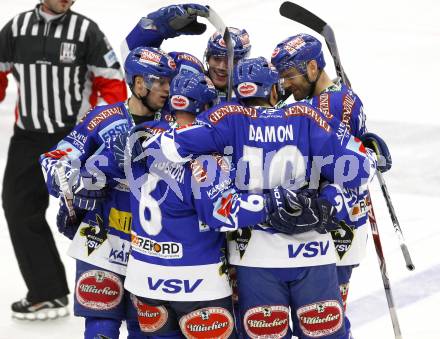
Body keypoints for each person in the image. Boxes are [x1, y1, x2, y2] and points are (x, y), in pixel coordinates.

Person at [140, 57, 391, 338]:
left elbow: (162, 150)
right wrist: (336, 193)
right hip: (312, 251)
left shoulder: (227, 118)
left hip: (254, 257)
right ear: (274, 91)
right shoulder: (306, 116)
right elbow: (359, 170)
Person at [99, 70, 334, 338]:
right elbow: (222, 213)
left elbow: (96, 174)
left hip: (144, 279)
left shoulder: (140, 138)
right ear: (207, 107)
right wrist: (272, 201)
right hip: (197, 282)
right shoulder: (207, 157)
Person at [0, 0, 127, 320]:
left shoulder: (86, 31)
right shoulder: (15, 29)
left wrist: (106, 132)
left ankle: (118, 291)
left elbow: (112, 81)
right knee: (18, 209)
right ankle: (47, 292)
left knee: (91, 215)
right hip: (27, 136)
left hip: (73, 140)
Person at [39, 46, 175, 337]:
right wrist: (80, 182)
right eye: (160, 81)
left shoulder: (175, 123)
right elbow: (53, 160)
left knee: (147, 330)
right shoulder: (103, 118)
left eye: (169, 81)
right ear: (139, 83)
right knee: (101, 328)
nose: (167, 88)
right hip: (103, 239)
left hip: (152, 244)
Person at [271, 33, 391, 337]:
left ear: (313, 67)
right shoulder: (337, 97)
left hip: (336, 226)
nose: (285, 84)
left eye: (289, 75)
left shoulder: (332, 102)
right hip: (326, 222)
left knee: (321, 323)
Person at [121, 3, 251, 97]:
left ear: (243, 63)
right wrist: (158, 27)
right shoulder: (185, 72)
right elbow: (132, 58)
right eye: (216, 58)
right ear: (207, 57)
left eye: (231, 60)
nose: (222, 67)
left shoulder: (254, 93)